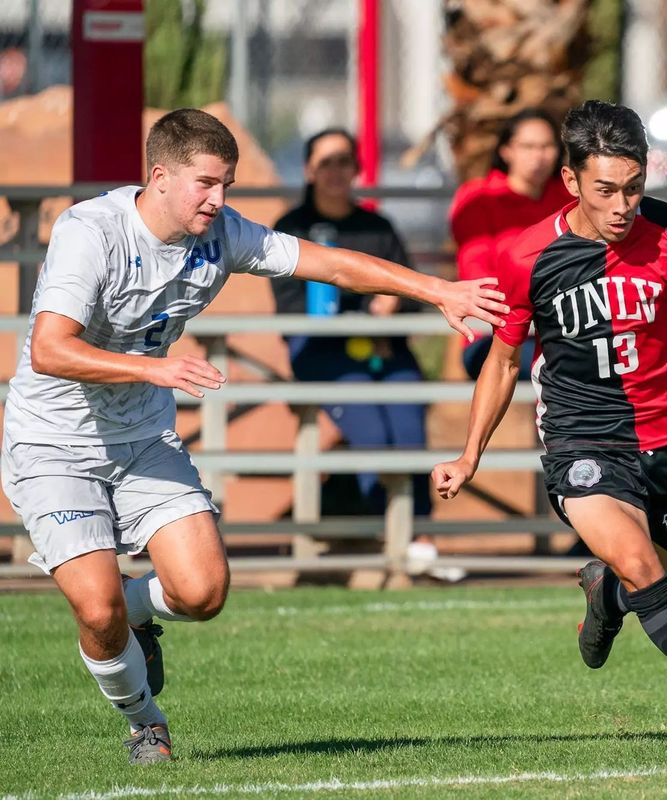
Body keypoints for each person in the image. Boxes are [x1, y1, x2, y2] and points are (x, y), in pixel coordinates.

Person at [0, 109, 505, 765]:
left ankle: (132, 615)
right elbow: (48, 349)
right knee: (95, 613)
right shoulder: (91, 232)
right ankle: (145, 722)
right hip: (54, 445)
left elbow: (331, 265)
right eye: (206, 183)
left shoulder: (222, 235)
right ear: (159, 177)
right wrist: (158, 368)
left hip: (142, 440)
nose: (219, 200)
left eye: (227, 184)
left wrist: (434, 289)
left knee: (203, 593)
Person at [432, 100, 667, 683]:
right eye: (605, 189)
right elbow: (504, 361)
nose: (621, 207)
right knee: (639, 559)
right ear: (571, 180)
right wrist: (469, 454)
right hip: (582, 437)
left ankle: (606, 594)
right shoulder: (528, 258)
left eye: (633, 188)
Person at [270, 128, 431, 520]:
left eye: (344, 161)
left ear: (357, 168)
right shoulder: (291, 228)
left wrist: (394, 306)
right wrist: (356, 316)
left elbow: (413, 294)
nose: (335, 170)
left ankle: (421, 534)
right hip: (322, 354)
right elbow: (290, 310)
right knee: (373, 435)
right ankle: (390, 531)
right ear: (308, 169)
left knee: (409, 428)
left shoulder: (378, 227)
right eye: (325, 161)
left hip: (385, 351)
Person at [449, 108, 572, 379]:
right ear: (506, 151)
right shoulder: (479, 199)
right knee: (573, 366)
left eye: (547, 146)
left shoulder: (569, 198)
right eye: (528, 146)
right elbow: (477, 276)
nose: (538, 156)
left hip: (566, 329)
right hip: (494, 336)